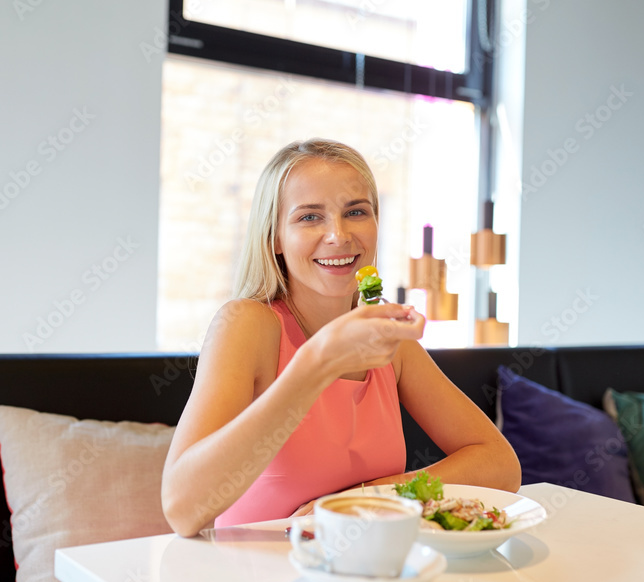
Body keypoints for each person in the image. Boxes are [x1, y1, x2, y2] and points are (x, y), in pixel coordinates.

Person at [161, 138, 520, 537]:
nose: (338, 234)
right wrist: (318, 361)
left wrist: (370, 499)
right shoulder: (246, 324)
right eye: (310, 217)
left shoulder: (389, 340)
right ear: (275, 238)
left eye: (356, 212)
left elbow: (500, 465)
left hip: (364, 579)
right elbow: (181, 509)